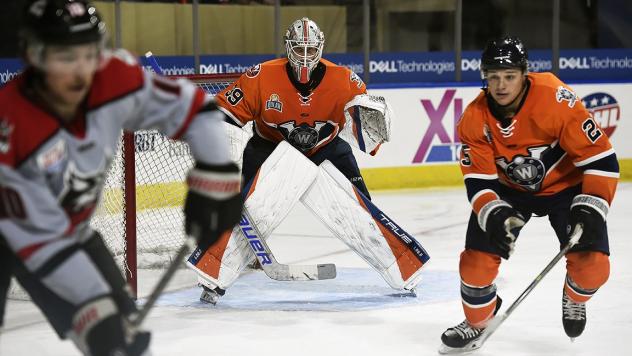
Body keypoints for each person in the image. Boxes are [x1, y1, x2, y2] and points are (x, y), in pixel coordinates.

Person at [0, 1, 242, 355]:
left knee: (121, 345)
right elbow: (41, 244)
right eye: (66, 58)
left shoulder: (112, 76)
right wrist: (98, 310)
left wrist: (216, 176)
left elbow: (197, 110)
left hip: (68, 231)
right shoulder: (14, 126)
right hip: (23, 234)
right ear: (34, 57)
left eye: (89, 54)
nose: (81, 72)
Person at [187, 17, 406, 304]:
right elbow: (227, 111)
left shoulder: (345, 80)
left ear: (320, 49)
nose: (304, 56)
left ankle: (399, 264)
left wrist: (372, 121)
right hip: (269, 147)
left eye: (310, 50)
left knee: (363, 209)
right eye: (299, 49)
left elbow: (365, 128)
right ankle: (215, 278)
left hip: (327, 148)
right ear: (288, 48)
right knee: (247, 210)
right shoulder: (261, 76)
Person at [438, 35, 619, 353]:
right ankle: (481, 319)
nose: (501, 85)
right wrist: (494, 213)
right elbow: (479, 182)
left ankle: (574, 296)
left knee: (592, 267)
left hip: (566, 187)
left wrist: (592, 205)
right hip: (511, 192)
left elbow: (600, 158)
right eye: (493, 77)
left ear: (524, 74)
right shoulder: (473, 118)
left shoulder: (554, 98)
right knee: (474, 266)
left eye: (509, 76)